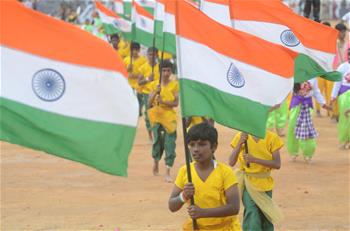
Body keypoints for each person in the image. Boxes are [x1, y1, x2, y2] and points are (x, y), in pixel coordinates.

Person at [169, 123, 241, 231]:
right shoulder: (185, 171)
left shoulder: (225, 172)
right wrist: (183, 196)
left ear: (214, 147)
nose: (196, 149)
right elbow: (172, 206)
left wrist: (202, 213)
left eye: (202, 144)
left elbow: (234, 207)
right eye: (192, 145)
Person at [229, 130, 283, 231]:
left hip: (265, 183)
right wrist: (240, 143)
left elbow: (277, 164)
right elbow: (231, 162)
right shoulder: (241, 137)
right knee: (251, 211)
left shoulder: (272, 138)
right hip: (248, 183)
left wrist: (255, 160)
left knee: (265, 214)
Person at [148, 60, 178, 182]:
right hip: (156, 117)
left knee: (170, 143)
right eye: (164, 70)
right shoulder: (154, 84)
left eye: (168, 71)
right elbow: (149, 103)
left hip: (169, 117)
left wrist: (163, 101)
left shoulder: (175, 85)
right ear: (160, 71)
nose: (166, 73)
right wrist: (155, 92)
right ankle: (156, 161)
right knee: (157, 142)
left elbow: (176, 103)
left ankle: (167, 171)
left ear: (171, 72)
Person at [287, 80, 331, 163]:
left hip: (307, 105)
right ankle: (293, 152)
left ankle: (308, 154)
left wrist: (323, 104)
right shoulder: (294, 74)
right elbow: (286, 88)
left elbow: (316, 92)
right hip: (296, 104)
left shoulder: (313, 77)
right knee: (292, 127)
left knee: (306, 129)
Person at [138, 47, 160, 141]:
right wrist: (147, 79)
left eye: (154, 54)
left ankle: (157, 133)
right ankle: (150, 133)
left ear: (157, 55)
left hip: (158, 93)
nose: (151, 56)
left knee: (158, 114)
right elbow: (139, 82)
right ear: (147, 55)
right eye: (150, 54)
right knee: (148, 115)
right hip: (147, 93)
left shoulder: (160, 67)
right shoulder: (143, 67)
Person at [331, 48, 350, 149]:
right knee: (344, 118)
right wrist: (333, 95)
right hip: (344, 95)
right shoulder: (342, 67)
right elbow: (337, 82)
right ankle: (343, 140)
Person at [123, 42, 147, 116]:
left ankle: (139, 110)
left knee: (139, 99)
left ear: (139, 50)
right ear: (130, 50)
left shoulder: (143, 60)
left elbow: (144, 73)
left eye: (136, 50)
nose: (134, 52)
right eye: (133, 50)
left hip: (139, 84)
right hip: (130, 84)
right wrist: (127, 69)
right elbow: (123, 72)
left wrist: (134, 75)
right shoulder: (126, 60)